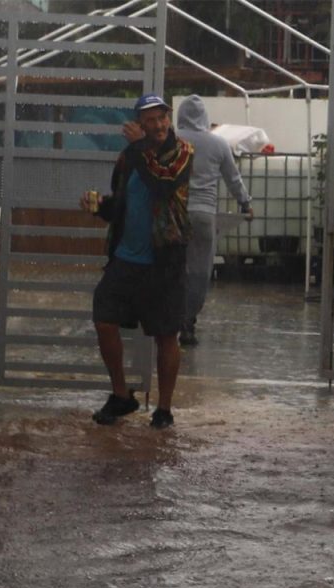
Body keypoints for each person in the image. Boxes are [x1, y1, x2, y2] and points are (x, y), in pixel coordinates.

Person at [80, 93, 194, 429]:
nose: (158, 125)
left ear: (168, 119)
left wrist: (141, 148)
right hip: (126, 259)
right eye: (150, 120)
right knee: (103, 318)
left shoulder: (183, 152)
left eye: (162, 118)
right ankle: (121, 395)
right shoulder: (129, 156)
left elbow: (164, 183)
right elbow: (121, 205)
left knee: (166, 335)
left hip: (165, 260)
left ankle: (164, 408)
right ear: (140, 124)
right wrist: (99, 206)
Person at [173, 95, 254, 348]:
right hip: (204, 216)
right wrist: (246, 204)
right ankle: (188, 323)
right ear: (205, 117)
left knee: (173, 267)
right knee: (199, 271)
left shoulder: (171, 139)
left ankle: (167, 320)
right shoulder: (218, 144)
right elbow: (233, 179)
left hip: (174, 214)